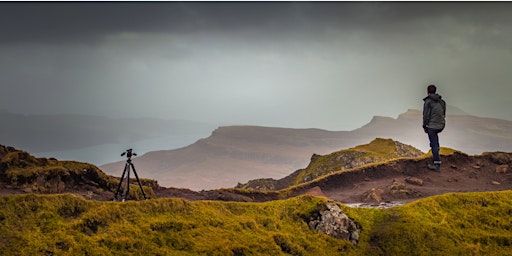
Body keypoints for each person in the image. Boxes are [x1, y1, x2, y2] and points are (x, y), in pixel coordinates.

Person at [422, 84, 446, 171]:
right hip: (441, 125)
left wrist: (425, 126)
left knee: (433, 144)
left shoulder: (428, 102)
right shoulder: (442, 102)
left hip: (432, 126)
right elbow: (444, 113)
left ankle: (437, 164)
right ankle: (436, 154)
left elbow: (425, 116)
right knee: (435, 140)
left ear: (428, 92)